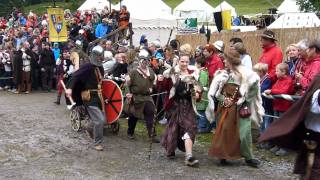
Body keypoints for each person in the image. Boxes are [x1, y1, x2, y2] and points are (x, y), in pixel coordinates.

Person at [207, 51, 264, 168]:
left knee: (244, 133)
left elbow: (252, 93)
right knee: (226, 131)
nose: (224, 61)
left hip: (241, 108)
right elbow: (217, 94)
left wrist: (241, 100)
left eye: (226, 59)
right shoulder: (223, 75)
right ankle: (223, 155)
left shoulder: (248, 76)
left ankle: (249, 157)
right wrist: (224, 100)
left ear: (231, 61)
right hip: (226, 108)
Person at [259, 75, 320, 180]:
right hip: (312, 132)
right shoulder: (318, 82)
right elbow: (314, 108)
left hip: (315, 132)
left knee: (315, 166)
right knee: (309, 164)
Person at [158, 54, 201, 167]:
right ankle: (170, 149)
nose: (184, 64)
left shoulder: (193, 75)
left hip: (188, 107)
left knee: (190, 128)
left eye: (186, 62)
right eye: (182, 61)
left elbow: (198, 90)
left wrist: (197, 94)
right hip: (175, 106)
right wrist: (160, 80)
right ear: (178, 62)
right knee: (174, 129)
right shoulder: (173, 74)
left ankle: (189, 156)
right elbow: (164, 86)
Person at [66, 46, 105, 151]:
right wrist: (70, 88)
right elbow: (75, 76)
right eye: (100, 56)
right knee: (100, 120)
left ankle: (89, 127)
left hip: (99, 97)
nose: (102, 57)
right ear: (96, 56)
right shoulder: (88, 66)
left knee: (102, 119)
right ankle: (97, 143)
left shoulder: (100, 67)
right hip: (89, 97)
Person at [124, 50, 159, 142]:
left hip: (147, 97)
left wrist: (153, 87)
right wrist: (128, 93)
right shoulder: (133, 72)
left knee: (151, 113)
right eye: (143, 61)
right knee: (134, 116)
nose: (144, 62)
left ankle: (152, 135)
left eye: (146, 60)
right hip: (136, 97)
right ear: (139, 61)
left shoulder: (150, 71)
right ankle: (130, 132)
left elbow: (153, 81)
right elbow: (126, 84)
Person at [264, 63, 294, 156]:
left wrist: (271, 91)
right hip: (276, 106)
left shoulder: (288, 81)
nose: (275, 73)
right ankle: (277, 144)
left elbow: (283, 91)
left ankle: (283, 147)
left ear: (283, 71)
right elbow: (274, 88)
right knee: (276, 126)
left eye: (277, 71)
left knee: (283, 127)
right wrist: (272, 90)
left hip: (284, 108)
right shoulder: (278, 80)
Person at [253, 63, 273, 149]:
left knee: (266, 124)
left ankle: (267, 141)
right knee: (261, 123)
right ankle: (262, 139)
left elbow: (263, 89)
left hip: (266, 106)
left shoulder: (267, 79)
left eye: (256, 71)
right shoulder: (260, 79)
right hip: (261, 106)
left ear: (261, 72)